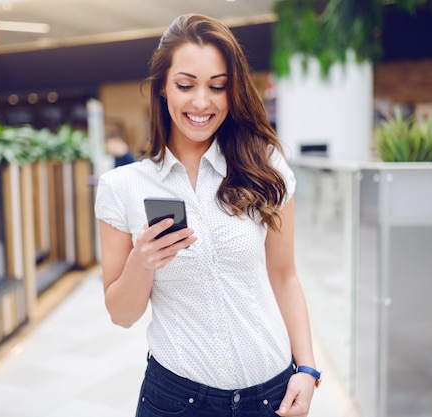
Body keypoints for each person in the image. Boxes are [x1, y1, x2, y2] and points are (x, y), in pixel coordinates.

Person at [94, 13, 320, 417]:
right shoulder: (122, 187)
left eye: (218, 87)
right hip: (178, 402)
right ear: (163, 87)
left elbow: (284, 275)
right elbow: (121, 315)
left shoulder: (264, 166)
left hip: (273, 396)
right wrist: (141, 262)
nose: (202, 102)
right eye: (185, 85)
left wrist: (307, 368)